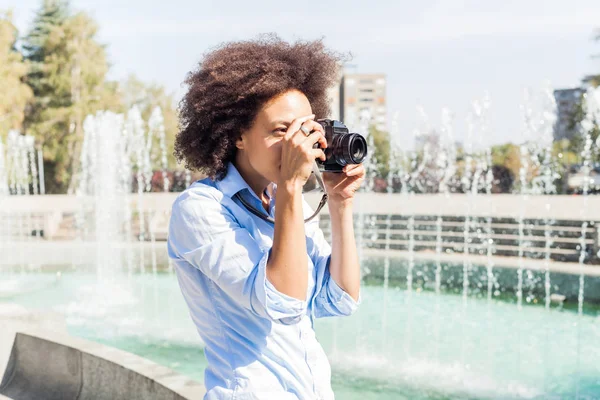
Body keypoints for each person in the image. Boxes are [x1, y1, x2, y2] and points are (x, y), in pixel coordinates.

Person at [167, 34, 365, 400]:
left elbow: (338, 300)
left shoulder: (287, 207)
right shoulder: (199, 209)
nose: (297, 143)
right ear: (239, 135)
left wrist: (339, 204)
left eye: (306, 128)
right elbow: (281, 300)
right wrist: (291, 186)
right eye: (281, 130)